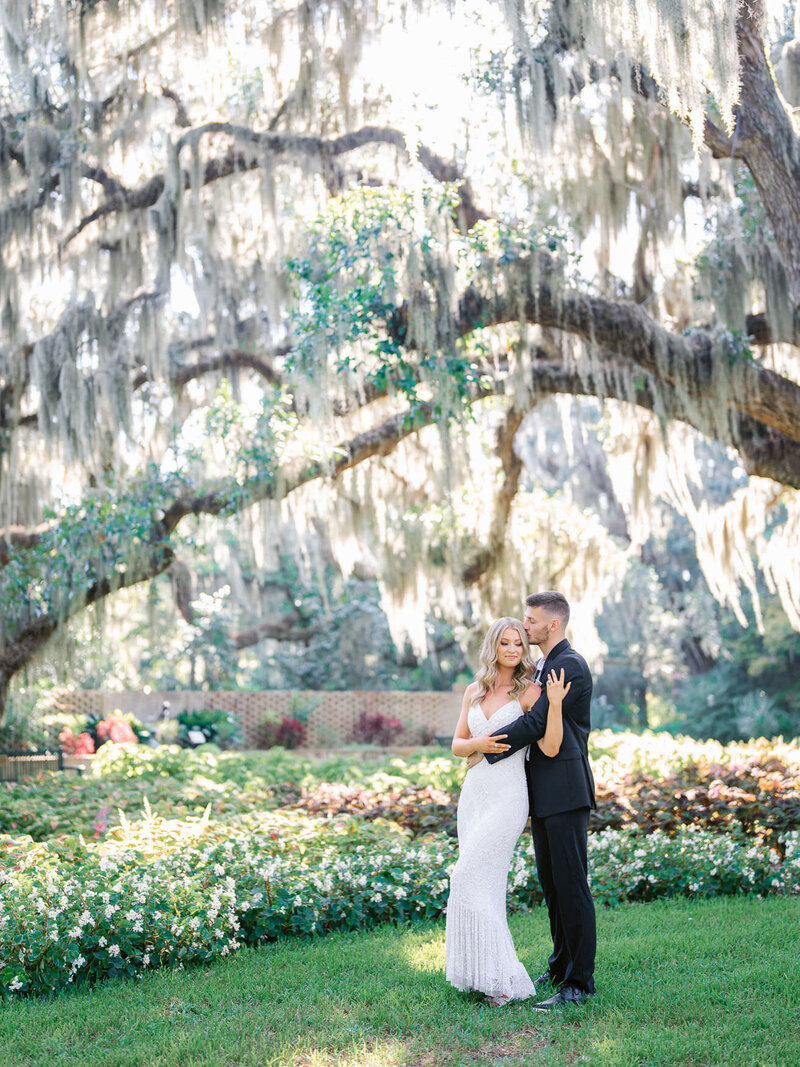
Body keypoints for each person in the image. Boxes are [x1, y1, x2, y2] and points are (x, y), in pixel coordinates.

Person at [477, 591, 597, 1009]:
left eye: (531, 621)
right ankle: (560, 965)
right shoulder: (545, 664)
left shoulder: (569, 665)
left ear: (554, 625)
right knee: (552, 884)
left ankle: (578, 984)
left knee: (571, 885)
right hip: (543, 792)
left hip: (564, 790)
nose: (524, 627)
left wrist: (486, 748)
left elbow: (537, 722)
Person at [445, 616, 571, 1006]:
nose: (514, 650)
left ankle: (505, 979)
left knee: (466, 876)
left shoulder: (531, 692)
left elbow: (550, 747)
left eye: (519, 643)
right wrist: (478, 743)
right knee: (482, 885)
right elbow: (457, 746)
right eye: (506, 643)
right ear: (493, 648)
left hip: (508, 796)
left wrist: (555, 705)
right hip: (475, 794)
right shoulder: (474, 691)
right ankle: (484, 976)